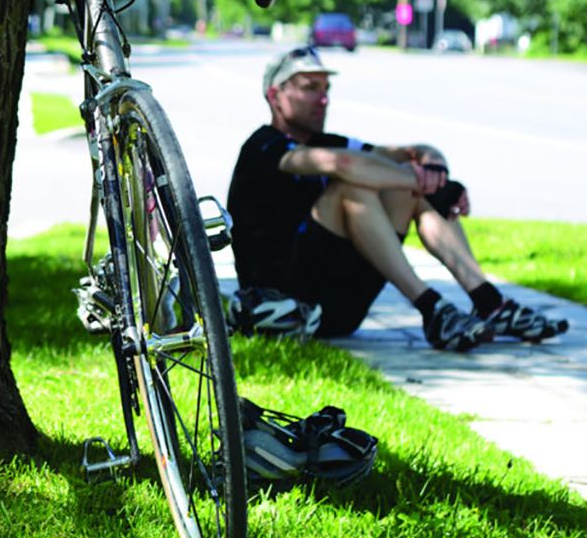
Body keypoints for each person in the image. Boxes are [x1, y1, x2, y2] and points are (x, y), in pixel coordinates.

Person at [226, 46, 569, 351]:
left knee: (402, 188)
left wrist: (434, 170)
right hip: (287, 308)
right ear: (275, 95)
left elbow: (412, 152)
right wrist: (421, 180)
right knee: (354, 186)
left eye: (326, 89)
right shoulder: (263, 145)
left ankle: (490, 302)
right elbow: (342, 164)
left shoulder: (328, 139)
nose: (323, 99)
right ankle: (432, 308)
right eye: (309, 88)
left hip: (340, 308)